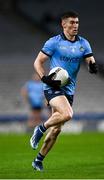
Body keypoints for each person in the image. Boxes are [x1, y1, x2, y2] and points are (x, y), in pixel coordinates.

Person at [30, 11, 98, 171]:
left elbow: (90, 61)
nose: (75, 26)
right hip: (53, 86)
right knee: (68, 114)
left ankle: (38, 160)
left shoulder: (84, 43)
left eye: (77, 23)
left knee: (56, 130)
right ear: (63, 24)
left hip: (69, 90)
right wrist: (44, 78)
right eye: (72, 23)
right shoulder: (53, 42)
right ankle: (39, 129)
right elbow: (38, 62)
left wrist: (93, 67)